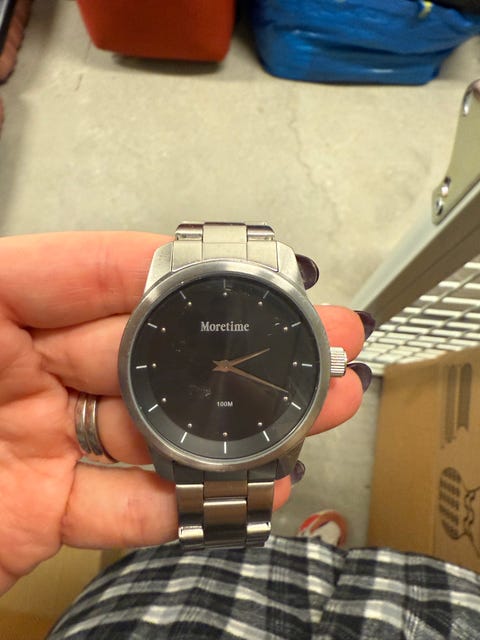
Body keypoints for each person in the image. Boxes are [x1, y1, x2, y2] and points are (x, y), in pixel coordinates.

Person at [0, 232, 479, 639]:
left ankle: (247, 561)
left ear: (327, 363)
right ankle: (299, 557)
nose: (224, 366)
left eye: (230, 363)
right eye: (221, 364)